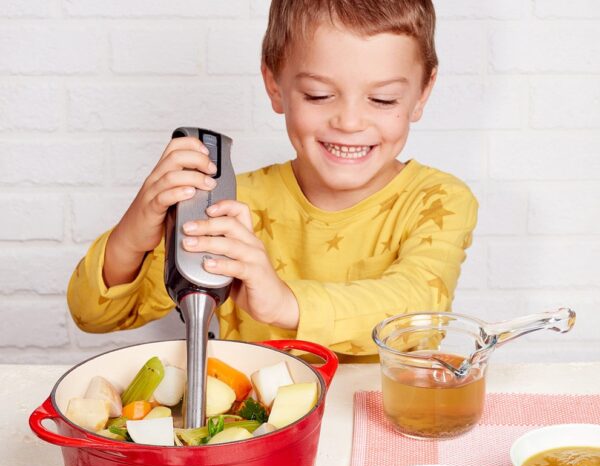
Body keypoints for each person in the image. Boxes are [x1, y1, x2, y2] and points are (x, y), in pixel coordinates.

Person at [67, 0, 478, 362]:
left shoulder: (438, 200)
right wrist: (136, 230)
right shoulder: (228, 205)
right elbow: (95, 315)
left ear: (422, 94)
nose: (350, 122)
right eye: (318, 95)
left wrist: (285, 302)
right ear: (274, 85)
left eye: (383, 99)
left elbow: (420, 312)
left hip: (383, 426)